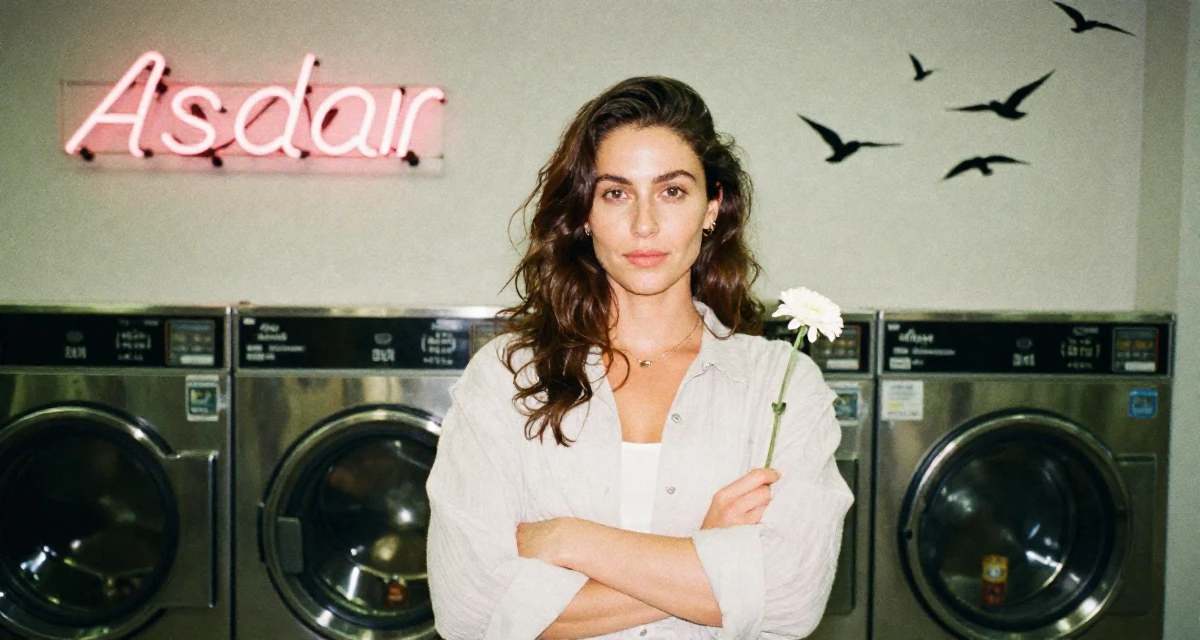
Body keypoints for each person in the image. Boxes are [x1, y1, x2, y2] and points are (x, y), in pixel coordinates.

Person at [426, 76, 852, 639]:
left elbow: (790, 598)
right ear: (584, 213)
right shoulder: (506, 377)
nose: (644, 224)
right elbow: (469, 610)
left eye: (672, 191)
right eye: (616, 193)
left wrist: (570, 540)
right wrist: (707, 558)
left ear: (712, 207)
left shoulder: (781, 384)